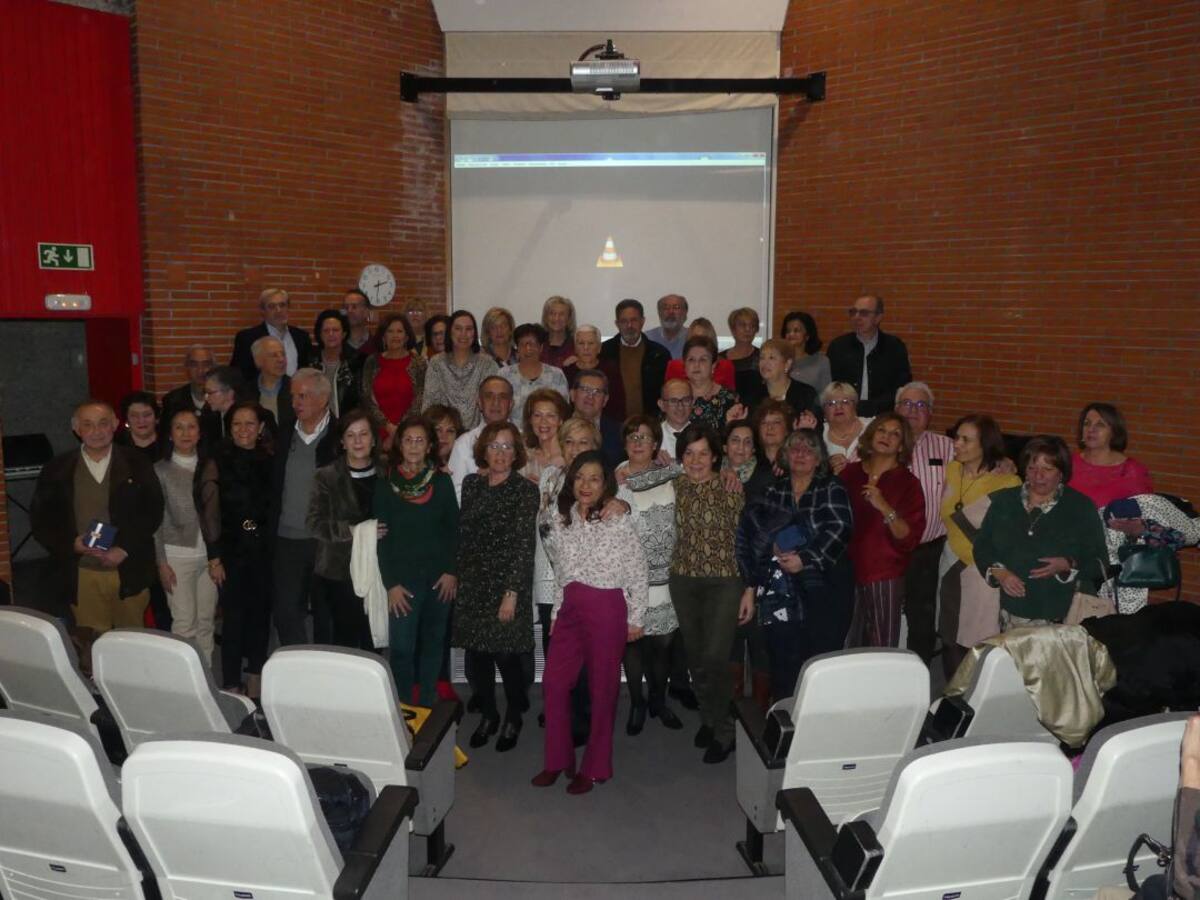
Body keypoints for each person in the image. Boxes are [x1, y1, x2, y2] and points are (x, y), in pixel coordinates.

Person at [534, 451, 649, 794]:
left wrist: (637, 617)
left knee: (602, 691)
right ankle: (558, 759)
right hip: (569, 609)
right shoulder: (562, 518)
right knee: (553, 685)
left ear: (605, 485)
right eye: (580, 477)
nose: (586, 485)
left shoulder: (618, 519)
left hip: (607, 610)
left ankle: (596, 767)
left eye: (594, 478)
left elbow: (638, 570)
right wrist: (556, 613)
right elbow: (561, 573)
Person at [736, 429, 854, 700]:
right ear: (785, 455)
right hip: (781, 589)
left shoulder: (831, 487)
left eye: (809, 449)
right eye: (795, 449)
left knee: (821, 659)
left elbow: (840, 528)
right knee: (783, 660)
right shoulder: (772, 490)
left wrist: (806, 559)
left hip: (827, 586)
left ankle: (819, 721)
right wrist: (769, 550)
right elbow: (752, 535)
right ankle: (785, 722)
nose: (801, 454)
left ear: (819, 458)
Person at [30, 400, 163, 631]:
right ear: (76, 429)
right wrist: (71, 544)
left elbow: (152, 511)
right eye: (88, 425)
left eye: (103, 423)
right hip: (82, 573)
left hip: (129, 569)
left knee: (132, 641)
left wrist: (124, 549)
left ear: (115, 425)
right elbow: (41, 520)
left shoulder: (137, 463)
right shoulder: (57, 469)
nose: (96, 431)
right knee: (91, 644)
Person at [669, 423, 754, 763]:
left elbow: (747, 541)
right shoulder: (673, 486)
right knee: (696, 656)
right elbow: (630, 481)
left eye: (704, 453)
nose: (696, 460)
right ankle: (709, 716)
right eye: (689, 453)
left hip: (724, 581)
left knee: (716, 658)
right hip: (684, 580)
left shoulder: (732, 487)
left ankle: (726, 729)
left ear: (716, 457)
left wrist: (750, 588)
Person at [454, 420, 540, 751]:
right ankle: (489, 714)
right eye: (494, 446)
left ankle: (514, 714)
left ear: (516, 452)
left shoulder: (525, 490)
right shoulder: (472, 484)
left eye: (507, 446)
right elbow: (464, 535)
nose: (500, 453)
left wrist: (511, 594)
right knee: (476, 656)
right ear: (483, 451)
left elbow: (523, 546)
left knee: (506, 655)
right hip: (474, 582)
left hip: (508, 584)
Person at [973, 435, 1107, 629]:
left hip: (1064, 614)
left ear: (1061, 472)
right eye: (1032, 468)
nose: (1038, 476)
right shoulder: (1004, 502)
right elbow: (982, 546)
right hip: (1012, 612)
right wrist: (1000, 572)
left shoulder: (1080, 507)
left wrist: (1067, 564)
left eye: (1047, 469)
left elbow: (1100, 562)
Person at [375, 415, 459, 705]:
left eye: (419, 440)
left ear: (429, 446)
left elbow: (454, 531)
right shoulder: (386, 484)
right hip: (403, 582)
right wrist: (391, 584)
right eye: (408, 439)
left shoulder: (442, 482)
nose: (413, 446)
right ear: (399, 444)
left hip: (440, 579)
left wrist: (452, 571)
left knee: (433, 644)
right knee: (401, 648)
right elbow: (380, 539)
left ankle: (426, 702)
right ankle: (403, 706)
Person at [937, 414, 1020, 680]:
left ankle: (977, 702)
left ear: (984, 444)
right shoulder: (951, 469)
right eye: (956, 437)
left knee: (979, 640)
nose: (956, 443)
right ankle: (951, 699)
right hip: (951, 563)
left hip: (983, 569)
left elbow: (1011, 534)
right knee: (950, 635)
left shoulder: (1007, 482)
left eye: (965, 439)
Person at [615, 416, 683, 734]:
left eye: (645, 437)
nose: (639, 442)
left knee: (664, 643)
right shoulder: (614, 480)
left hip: (666, 575)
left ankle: (659, 699)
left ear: (656, 444)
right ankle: (638, 703)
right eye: (632, 436)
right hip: (629, 578)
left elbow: (703, 471)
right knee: (633, 644)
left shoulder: (671, 474)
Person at [839, 413, 925, 648]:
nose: (886, 437)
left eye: (895, 434)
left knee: (881, 647)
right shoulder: (850, 474)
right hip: (846, 573)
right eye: (881, 430)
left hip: (884, 576)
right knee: (845, 645)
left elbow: (909, 538)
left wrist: (884, 506)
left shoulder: (908, 483)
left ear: (901, 446)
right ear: (871, 435)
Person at [269, 369, 338, 646]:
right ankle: (294, 665)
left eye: (303, 396)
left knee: (326, 613)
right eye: (293, 396)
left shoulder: (340, 435)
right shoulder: (283, 433)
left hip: (326, 540)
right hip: (287, 538)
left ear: (323, 399)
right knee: (286, 611)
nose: (296, 402)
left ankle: (324, 672)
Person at [212, 400, 274, 696]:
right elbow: (209, 512)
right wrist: (215, 557)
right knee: (233, 618)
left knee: (261, 616)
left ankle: (255, 679)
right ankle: (231, 685)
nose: (243, 430)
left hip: (264, 549)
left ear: (261, 428)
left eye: (250, 423)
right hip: (231, 550)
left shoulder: (271, 458)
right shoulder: (218, 460)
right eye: (237, 424)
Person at [153, 408, 222, 670]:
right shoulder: (160, 470)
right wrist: (161, 562)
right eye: (179, 427)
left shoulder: (212, 467)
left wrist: (219, 556)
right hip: (176, 556)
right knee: (184, 624)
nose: (185, 433)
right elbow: (155, 522)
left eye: (191, 427)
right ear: (170, 434)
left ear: (200, 432)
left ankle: (205, 678)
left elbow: (218, 515)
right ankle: (184, 680)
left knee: (206, 622)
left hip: (209, 558)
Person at [895, 382, 956, 664]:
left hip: (927, 550)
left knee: (922, 620)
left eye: (921, 405)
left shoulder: (947, 447)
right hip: (886, 551)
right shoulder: (878, 441)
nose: (912, 411)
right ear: (896, 409)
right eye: (906, 404)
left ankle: (917, 675)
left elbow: (982, 465)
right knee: (882, 617)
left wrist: (1003, 462)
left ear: (930, 413)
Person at [306, 410, 378, 650]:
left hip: (378, 570)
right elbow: (314, 524)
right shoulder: (326, 476)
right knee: (344, 642)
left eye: (364, 434)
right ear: (342, 442)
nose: (358, 441)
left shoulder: (388, 473)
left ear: (374, 439)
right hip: (338, 571)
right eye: (351, 435)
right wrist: (356, 531)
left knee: (374, 638)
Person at [723, 419, 771, 708]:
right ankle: (734, 708)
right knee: (731, 640)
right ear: (725, 445)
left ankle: (763, 710)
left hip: (755, 569)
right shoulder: (711, 474)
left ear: (755, 447)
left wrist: (751, 583)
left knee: (759, 640)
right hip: (724, 573)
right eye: (735, 440)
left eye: (747, 441)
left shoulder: (765, 478)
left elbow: (764, 533)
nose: (741, 447)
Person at [826, 295, 912, 416]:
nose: (857, 317)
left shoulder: (894, 347)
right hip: (846, 414)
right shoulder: (838, 346)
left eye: (864, 313)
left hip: (883, 415)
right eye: (853, 312)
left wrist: (872, 407)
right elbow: (832, 384)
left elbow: (902, 387)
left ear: (878, 317)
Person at [422, 309, 499, 430]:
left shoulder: (487, 364)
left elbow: (493, 404)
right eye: (458, 328)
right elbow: (429, 405)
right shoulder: (436, 363)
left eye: (469, 329)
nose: (463, 334)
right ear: (450, 332)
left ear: (474, 333)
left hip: (479, 436)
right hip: (444, 435)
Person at [1069, 402, 1153, 509]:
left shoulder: (1132, 471)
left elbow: (1147, 513)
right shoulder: (1068, 463)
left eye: (1100, 425)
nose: (1091, 429)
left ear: (1114, 432)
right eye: (1087, 423)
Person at [361, 313, 427, 450]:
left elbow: (420, 399)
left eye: (399, 331)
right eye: (390, 331)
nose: (395, 335)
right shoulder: (372, 362)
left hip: (410, 434)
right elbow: (367, 398)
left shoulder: (419, 363)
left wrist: (398, 431)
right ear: (383, 336)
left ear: (407, 336)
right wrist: (387, 427)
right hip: (377, 434)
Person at [447, 375, 514, 501]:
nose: (496, 402)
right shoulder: (464, 443)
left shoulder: (525, 440)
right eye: (489, 396)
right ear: (479, 402)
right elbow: (456, 494)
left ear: (511, 404)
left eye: (503, 397)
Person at [600, 299, 670, 419]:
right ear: (617, 324)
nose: (629, 326)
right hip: (613, 422)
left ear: (642, 321)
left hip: (650, 422)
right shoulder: (604, 352)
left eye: (634, 320)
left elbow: (667, 391)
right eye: (624, 321)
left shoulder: (659, 354)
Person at [230, 287, 314, 382]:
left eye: (282, 305)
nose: (278, 310)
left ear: (288, 308)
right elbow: (238, 375)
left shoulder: (302, 337)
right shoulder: (247, 338)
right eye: (272, 306)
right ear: (263, 311)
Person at [499, 323, 569, 424]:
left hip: (547, 433)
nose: (528, 349)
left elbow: (563, 411)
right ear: (517, 348)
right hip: (513, 436)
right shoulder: (504, 375)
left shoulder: (556, 375)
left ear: (541, 348)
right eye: (523, 344)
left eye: (532, 344)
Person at [742, 338, 821, 424]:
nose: (765, 363)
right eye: (762, 358)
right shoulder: (751, 394)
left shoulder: (806, 394)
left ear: (787, 364)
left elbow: (817, 427)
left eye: (771, 358)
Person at [564, 324, 626, 421]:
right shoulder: (566, 372)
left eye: (591, 343)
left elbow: (619, 405)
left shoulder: (611, 371)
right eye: (581, 343)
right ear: (575, 348)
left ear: (599, 348)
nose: (586, 348)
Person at [310, 309, 362, 421]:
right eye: (326, 330)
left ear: (344, 334)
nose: (331, 334)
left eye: (335, 330)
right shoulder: (310, 362)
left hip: (347, 424)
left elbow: (361, 400)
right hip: (315, 424)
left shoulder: (356, 362)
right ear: (320, 334)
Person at [681, 336, 741, 432]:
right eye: (691, 360)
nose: (696, 365)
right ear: (684, 365)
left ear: (713, 365)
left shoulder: (729, 399)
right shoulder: (673, 397)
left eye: (703, 360)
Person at [569, 369, 624, 468]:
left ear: (605, 400)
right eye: (585, 389)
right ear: (572, 395)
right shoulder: (557, 427)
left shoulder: (619, 432)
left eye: (597, 392)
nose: (590, 396)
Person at [664, 319, 736, 392]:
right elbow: (668, 395)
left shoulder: (725, 366)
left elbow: (730, 393)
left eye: (704, 339)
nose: (699, 343)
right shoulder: (674, 366)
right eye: (695, 338)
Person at [744, 399, 793, 502]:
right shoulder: (749, 460)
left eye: (776, 422)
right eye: (764, 423)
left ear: (787, 430)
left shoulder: (797, 460)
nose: (769, 427)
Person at [160, 344, 217, 429]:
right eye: (194, 365)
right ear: (187, 368)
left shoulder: (223, 399)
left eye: (206, 364)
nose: (200, 370)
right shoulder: (172, 400)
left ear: (214, 367)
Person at [821, 381, 872, 475]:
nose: (838, 407)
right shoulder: (818, 433)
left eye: (845, 402)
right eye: (831, 403)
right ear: (824, 410)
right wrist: (828, 468)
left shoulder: (872, 426)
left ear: (855, 406)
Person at [520, 388, 569, 483]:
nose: (543, 421)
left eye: (550, 416)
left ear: (560, 420)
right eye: (537, 415)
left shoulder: (569, 456)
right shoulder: (523, 455)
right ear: (530, 420)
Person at [781, 311, 831, 394]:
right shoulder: (779, 360)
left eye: (796, 331)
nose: (791, 334)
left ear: (807, 335)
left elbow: (826, 395)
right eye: (788, 331)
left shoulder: (822, 361)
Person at [250, 335, 291, 431]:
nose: (281, 359)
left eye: (283, 354)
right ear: (258, 361)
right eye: (274, 355)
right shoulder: (246, 392)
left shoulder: (296, 388)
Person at [721, 307, 761, 399]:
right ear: (733, 329)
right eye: (742, 325)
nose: (748, 329)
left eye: (752, 326)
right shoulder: (720, 358)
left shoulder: (762, 357)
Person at [201, 365, 244, 448]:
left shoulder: (248, 416)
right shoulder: (208, 415)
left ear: (229, 393)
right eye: (205, 392)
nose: (206, 397)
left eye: (210, 392)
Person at [117, 391, 162, 461]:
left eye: (147, 415)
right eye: (134, 416)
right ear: (127, 419)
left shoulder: (168, 441)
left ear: (156, 417)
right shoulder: (117, 446)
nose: (141, 421)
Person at [656, 378, 695, 459]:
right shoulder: (653, 436)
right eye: (673, 401)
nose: (680, 407)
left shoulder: (704, 436)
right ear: (662, 405)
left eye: (686, 400)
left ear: (692, 403)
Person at [645, 293, 689, 359]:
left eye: (676, 307)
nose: (671, 312)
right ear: (659, 313)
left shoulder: (692, 337)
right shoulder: (647, 338)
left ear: (685, 313)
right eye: (666, 308)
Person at [423, 403, 463, 470]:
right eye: (438, 430)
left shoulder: (462, 464)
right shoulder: (416, 465)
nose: (444, 436)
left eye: (450, 431)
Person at [540, 295, 577, 368]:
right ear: (546, 317)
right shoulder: (537, 344)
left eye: (562, 314)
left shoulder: (577, 346)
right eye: (552, 313)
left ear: (569, 318)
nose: (556, 318)